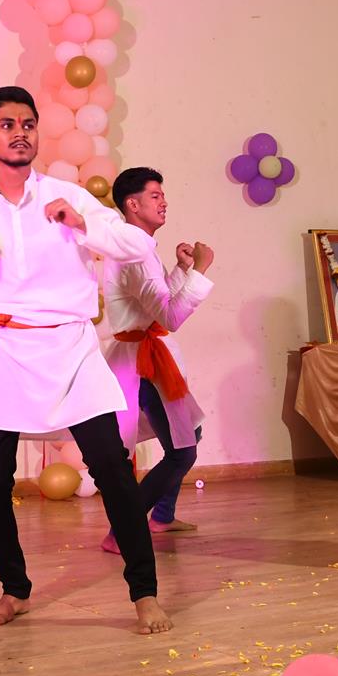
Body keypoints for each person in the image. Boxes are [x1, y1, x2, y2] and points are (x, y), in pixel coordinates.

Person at [0, 86, 171, 635]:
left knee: (113, 468)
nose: (19, 133)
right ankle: (14, 588)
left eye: (27, 124)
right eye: (7, 125)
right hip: (2, 352)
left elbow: (139, 246)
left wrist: (82, 223)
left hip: (71, 350)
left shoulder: (69, 197)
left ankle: (144, 592)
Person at [99, 166, 213, 554]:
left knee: (189, 434)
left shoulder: (139, 246)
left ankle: (162, 515)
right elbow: (170, 316)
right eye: (155, 196)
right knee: (183, 450)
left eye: (162, 195)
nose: (163, 202)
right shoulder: (134, 252)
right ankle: (122, 531)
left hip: (149, 358)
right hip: (143, 364)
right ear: (132, 204)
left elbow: (159, 302)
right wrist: (201, 269)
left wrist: (182, 269)